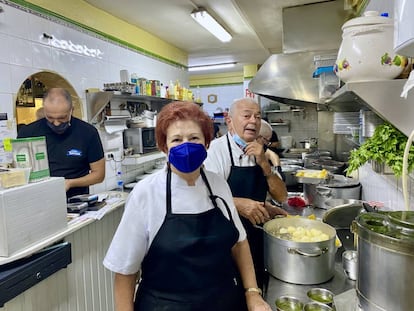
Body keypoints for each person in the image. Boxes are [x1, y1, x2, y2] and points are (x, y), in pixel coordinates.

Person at [103, 101, 272, 311]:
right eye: (176, 139)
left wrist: (252, 293)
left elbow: (240, 243)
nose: (186, 145)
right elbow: (125, 271)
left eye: (194, 138)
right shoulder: (146, 193)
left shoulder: (218, 185)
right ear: (164, 147)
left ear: (206, 143)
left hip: (225, 302)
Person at [204, 97, 288, 290]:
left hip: (256, 239)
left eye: (258, 117)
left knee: (256, 287)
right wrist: (238, 204)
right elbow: (206, 197)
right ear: (229, 120)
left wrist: (264, 165)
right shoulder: (215, 152)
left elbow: (282, 196)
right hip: (226, 242)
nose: (253, 121)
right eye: (247, 116)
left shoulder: (261, 152)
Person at [17, 88, 105, 198]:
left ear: (71, 110)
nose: (56, 123)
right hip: (38, 199)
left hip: (76, 201)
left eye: (62, 118)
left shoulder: (87, 132)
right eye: (50, 118)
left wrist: (70, 183)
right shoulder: (28, 132)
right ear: (44, 110)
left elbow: (99, 175)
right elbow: (19, 171)